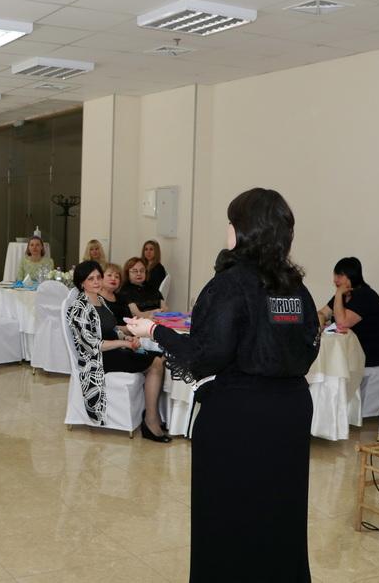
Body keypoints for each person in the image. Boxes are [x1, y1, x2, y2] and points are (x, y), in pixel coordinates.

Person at [126, 188, 319, 582]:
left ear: (243, 230)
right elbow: (308, 346)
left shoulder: (230, 284)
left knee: (227, 515)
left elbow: (203, 356)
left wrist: (155, 331)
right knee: (279, 511)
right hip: (290, 412)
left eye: (231, 222)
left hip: (239, 416)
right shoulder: (296, 288)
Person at [67, 261, 169, 441]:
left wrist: (127, 338)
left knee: (159, 358)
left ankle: (152, 416)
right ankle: (151, 420)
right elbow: (92, 345)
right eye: (91, 279)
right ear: (82, 283)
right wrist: (123, 344)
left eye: (98, 277)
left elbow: (113, 329)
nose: (96, 281)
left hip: (111, 351)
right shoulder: (79, 307)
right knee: (155, 362)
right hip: (97, 359)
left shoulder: (99, 301)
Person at [317, 257, 379, 367]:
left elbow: (341, 323)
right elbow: (322, 313)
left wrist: (338, 294)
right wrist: (320, 324)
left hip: (370, 358)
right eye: (335, 275)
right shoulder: (343, 296)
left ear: (351, 276)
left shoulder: (365, 296)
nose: (335, 280)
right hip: (350, 354)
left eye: (339, 276)